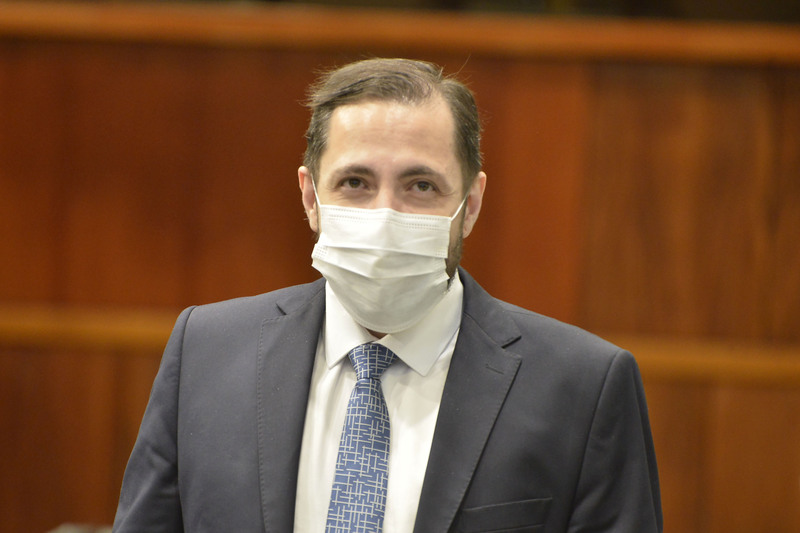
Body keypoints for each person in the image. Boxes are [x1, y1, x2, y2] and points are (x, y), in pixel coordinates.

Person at [113, 58, 662, 533]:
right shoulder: (206, 354)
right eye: (355, 182)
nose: (385, 216)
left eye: (421, 186)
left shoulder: (583, 387)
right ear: (310, 197)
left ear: (470, 205)